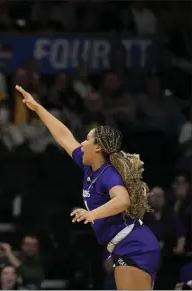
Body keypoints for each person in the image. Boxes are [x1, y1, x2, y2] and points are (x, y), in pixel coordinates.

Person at [15, 85, 161, 290]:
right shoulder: (89, 167)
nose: (82, 143)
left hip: (134, 246)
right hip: (127, 245)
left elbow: (122, 200)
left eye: (87, 139)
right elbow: (63, 136)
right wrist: (38, 108)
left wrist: (93, 215)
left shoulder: (109, 174)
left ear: (98, 148)